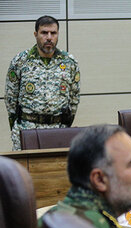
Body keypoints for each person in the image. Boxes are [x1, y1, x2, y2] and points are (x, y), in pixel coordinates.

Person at [5, 15, 80, 151]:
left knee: (56, 171)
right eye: (44, 33)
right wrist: (17, 126)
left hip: (58, 131)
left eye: (53, 33)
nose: (49, 37)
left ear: (58, 34)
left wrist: (64, 126)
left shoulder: (69, 62)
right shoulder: (20, 61)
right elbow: (11, 99)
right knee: (25, 171)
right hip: (26, 130)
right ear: (36, 34)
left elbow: (74, 99)